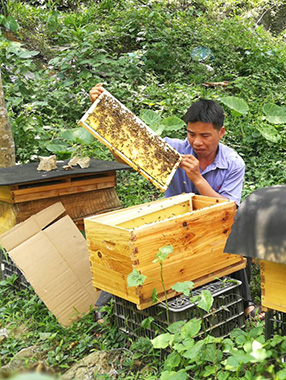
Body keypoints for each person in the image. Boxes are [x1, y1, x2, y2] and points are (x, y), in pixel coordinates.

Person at [89, 84, 262, 319]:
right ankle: (104, 304)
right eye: (191, 134)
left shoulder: (233, 163)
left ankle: (246, 302)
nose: (197, 142)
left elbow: (230, 209)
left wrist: (197, 179)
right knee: (137, 245)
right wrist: (103, 110)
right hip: (171, 222)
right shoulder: (175, 148)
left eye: (205, 136)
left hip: (210, 225)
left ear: (220, 133)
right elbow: (130, 150)